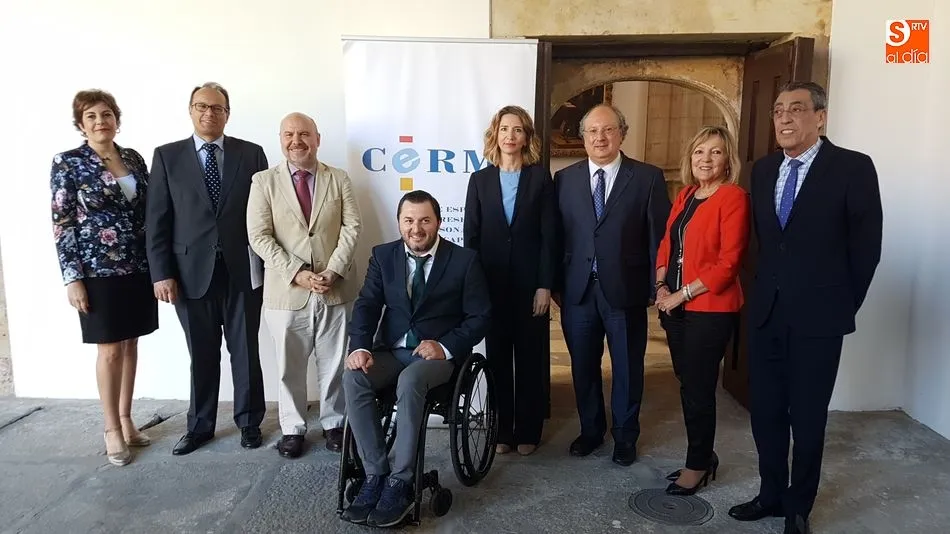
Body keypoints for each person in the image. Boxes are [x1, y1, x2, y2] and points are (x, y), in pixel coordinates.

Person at [728, 81, 882, 534]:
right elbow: (763, 244)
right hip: (767, 314)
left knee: (808, 417)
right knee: (766, 413)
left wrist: (841, 304)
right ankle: (770, 493)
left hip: (820, 317)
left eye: (796, 109)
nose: (784, 118)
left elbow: (866, 248)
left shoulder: (852, 167)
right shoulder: (762, 170)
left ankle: (799, 506)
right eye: (778, 110)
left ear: (820, 116)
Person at [339, 191, 490, 528]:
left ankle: (401, 482)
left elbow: (480, 316)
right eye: (408, 220)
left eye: (424, 220)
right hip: (392, 351)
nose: (416, 228)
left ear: (438, 222)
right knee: (354, 377)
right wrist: (360, 347)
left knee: (411, 379)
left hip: (438, 359)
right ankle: (376, 474)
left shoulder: (463, 261)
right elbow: (367, 305)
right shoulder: (383, 256)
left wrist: (445, 346)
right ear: (399, 223)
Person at [145, 82, 269, 455]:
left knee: (245, 351)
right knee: (201, 354)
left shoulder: (251, 154)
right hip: (189, 274)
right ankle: (200, 426)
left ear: (227, 114)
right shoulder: (167, 157)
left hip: (242, 270)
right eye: (202, 106)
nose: (209, 113)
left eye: (217, 108)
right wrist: (161, 273)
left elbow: (266, 214)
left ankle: (249, 422)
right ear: (190, 110)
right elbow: (157, 220)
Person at [554, 104, 671, 466]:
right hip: (577, 291)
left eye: (608, 130)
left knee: (627, 367)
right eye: (592, 131)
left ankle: (625, 436)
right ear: (583, 137)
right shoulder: (564, 179)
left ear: (622, 133)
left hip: (626, 290)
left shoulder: (647, 177)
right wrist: (555, 285)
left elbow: (659, 237)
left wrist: (657, 284)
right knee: (583, 367)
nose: (600, 138)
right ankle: (591, 431)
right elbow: (556, 237)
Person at [51, 89, 158, 467]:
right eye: (92, 116)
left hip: (138, 265)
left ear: (117, 119)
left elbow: (149, 210)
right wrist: (72, 278)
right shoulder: (68, 163)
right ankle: (111, 427)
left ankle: (127, 419)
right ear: (81, 124)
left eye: (107, 114)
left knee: (130, 343)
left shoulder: (133, 158)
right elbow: (62, 223)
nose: (101, 121)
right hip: (97, 270)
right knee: (109, 348)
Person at [247, 112, 361, 457]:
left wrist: (334, 270)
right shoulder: (263, 182)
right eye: (289, 134)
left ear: (317, 139)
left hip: (334, 288)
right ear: (281, 139)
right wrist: (296, 272)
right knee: (289, 367)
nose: (297, 141)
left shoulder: (338, 178)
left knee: (335, 362)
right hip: (287, 291)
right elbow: (259, 235)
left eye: (304, 134)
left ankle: (333, 423)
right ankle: (293, 429)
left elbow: (352, 227)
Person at [653, 126, 750, 494]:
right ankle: (703, 455)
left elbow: (729, 263)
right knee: (688, 383)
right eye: (699, 152)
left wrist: (680, 295)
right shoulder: (686, 195)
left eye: (715, 152)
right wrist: (661, 284)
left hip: (710, 310)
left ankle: (697, 465)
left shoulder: (733, 198)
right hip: (673, 306)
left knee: (698, 388)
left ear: (728, 161)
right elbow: (667, 243)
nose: (705, 159)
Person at [463, 105, 556, 456]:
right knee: (498, 360)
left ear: (526, 137)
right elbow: (471, 238)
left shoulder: (540, 178)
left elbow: (549, 236)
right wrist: (473, 290)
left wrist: (545, 285)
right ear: (495, 134)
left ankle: (528, 430)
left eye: (517, 129)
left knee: (530, 360)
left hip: (531, 287)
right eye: (504, 129)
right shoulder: (480, 181)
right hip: (491, 287)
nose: (510, 136)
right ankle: (501, 431)